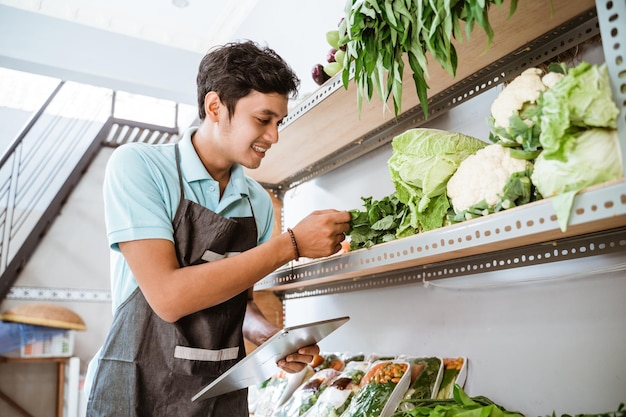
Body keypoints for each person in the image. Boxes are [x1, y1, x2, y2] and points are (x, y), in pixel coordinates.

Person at [84, 40, 351, 416]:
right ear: (214, 107)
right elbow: (168, 297)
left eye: (279, 122)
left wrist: (273, 340)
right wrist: (290, 245)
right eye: (263, 120)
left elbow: (238, 305)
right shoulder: (140, 167)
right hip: (137, 391)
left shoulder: (258, 202)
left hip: (217, 394)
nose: (274, 136)